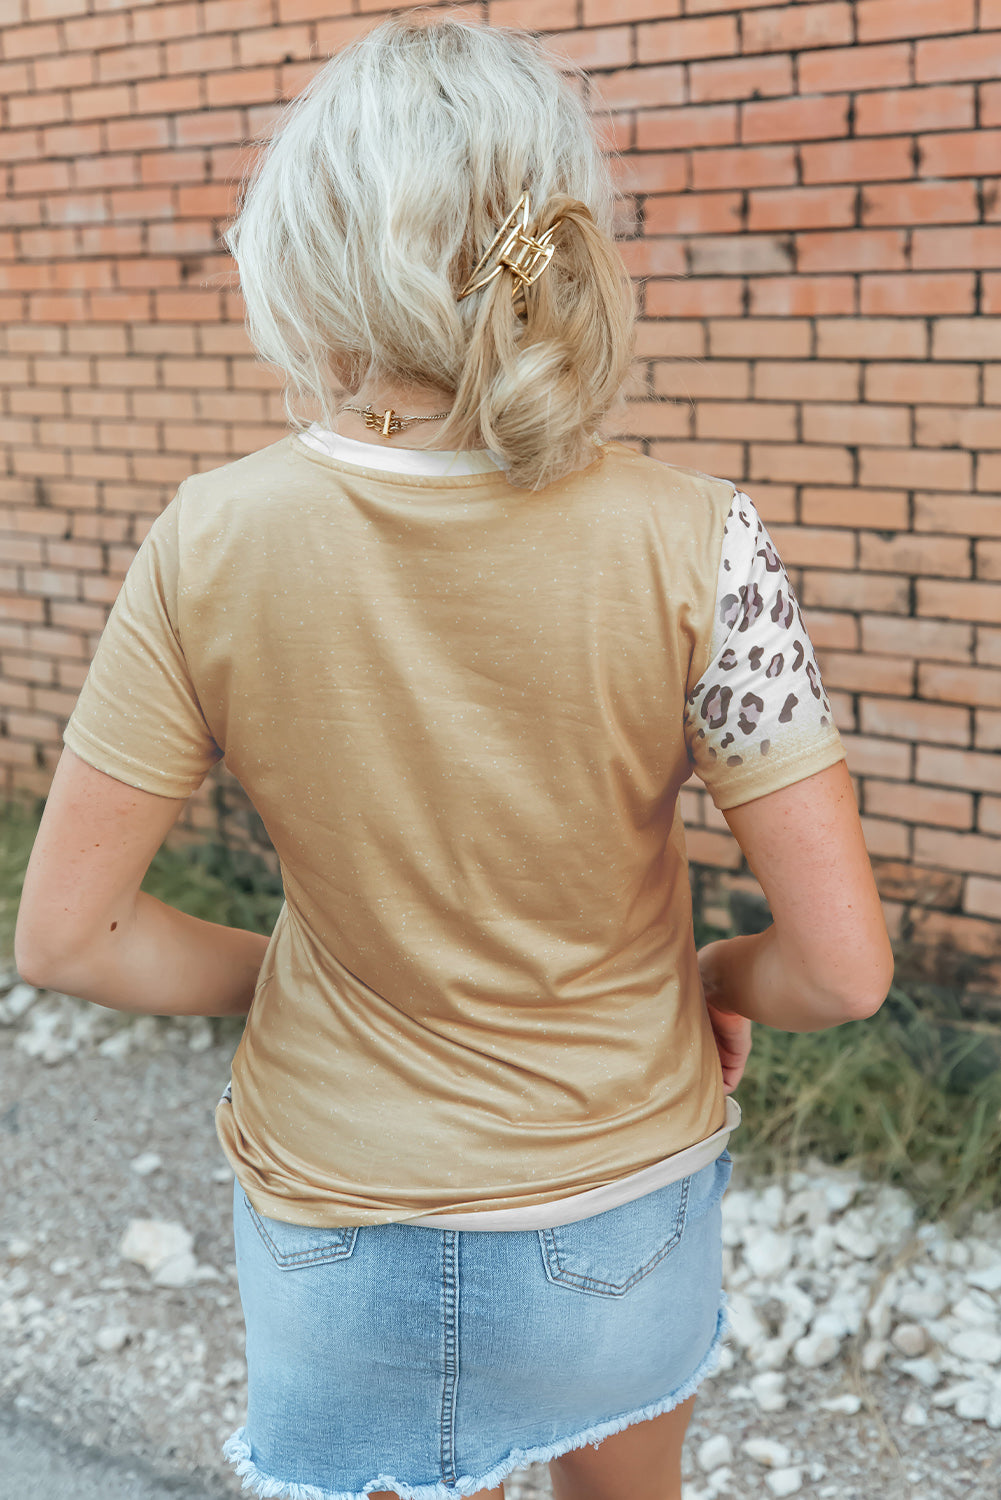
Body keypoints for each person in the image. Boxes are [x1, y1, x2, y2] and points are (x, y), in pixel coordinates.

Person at [14, 13, 894, 1500]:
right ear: (554, 237)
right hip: (621, 1203)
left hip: (339, 1215)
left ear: (308, 244)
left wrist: (300, 972)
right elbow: (843, 972)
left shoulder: (208, 540)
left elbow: (68, 938)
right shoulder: (701, 539)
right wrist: (697, 988)